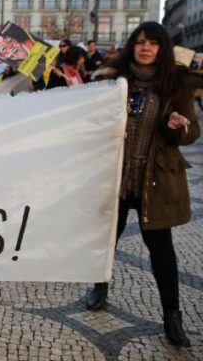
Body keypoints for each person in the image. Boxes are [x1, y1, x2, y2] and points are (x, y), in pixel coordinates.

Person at [84, 22, 199, 348]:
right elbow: (92, 123)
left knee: (162, 252)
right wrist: (106, 130)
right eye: (140, 42)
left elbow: (191, 134)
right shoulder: (114, 82)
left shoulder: (172, 85)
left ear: (162, 49)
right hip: (117, 178)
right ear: (132, 45)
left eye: (153, 43)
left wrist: (180, 125)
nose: (145, 48)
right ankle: (99, 287)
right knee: (107, 241)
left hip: (154, 182)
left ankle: (172, 317)